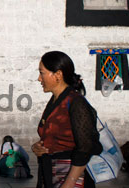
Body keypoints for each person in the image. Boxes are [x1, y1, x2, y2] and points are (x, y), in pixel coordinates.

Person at [32, 51, 102, 188]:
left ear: (58, 74)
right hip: (51, 173)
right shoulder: (56, 100)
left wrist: (69, 183)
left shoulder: (76, 103)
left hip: (70, 177)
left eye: (42, 73)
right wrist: (38, 147)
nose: (39, 79)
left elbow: (85, 147)